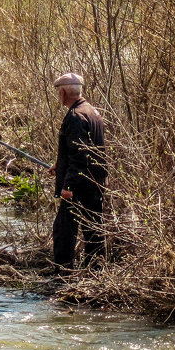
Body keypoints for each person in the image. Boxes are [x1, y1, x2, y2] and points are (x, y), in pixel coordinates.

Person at [48, 72, 107, 270]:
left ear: (64, 93)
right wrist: (61, 166)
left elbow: (80, 155)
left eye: (59, 92)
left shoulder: (75, 116)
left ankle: (62, 275)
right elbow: (86, 150)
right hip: (96, 183)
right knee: (93, 229)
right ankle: (96, 272)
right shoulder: (92, 111)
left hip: (79, 186)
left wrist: (68, 186)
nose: (59, 96)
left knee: (64, 231)